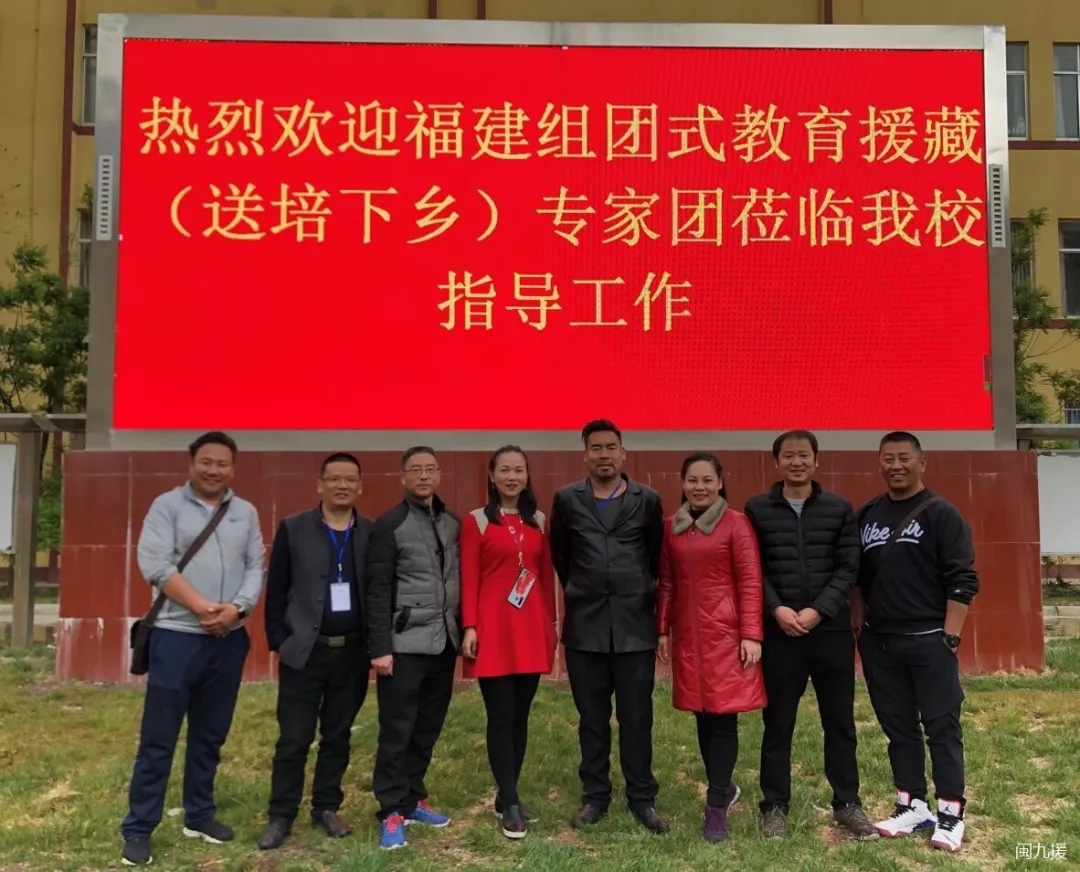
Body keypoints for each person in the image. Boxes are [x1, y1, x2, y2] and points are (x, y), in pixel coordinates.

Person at [120, 431, 265, 868]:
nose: (213, 470)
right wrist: (203, 608)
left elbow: (255, 566)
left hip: (228, 639)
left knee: (210, 734)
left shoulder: (245, 512)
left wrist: (237, 609)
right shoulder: (166, 506)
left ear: (233, 468)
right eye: (206, 461)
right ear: (191, 463)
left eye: (222, 463)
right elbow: (155, 565)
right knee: (159, 738)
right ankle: (139, 827)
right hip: (176, 636)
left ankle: (199, 815)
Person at [743, 430, 875, 840]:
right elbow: (752, 566)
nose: (796, 462)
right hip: (780, 632)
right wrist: (776, 608)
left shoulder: (838, 508)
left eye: (804, 455)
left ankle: (847, 803)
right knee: (777, 723)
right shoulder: (757, 509)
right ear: (776, 462)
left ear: (816, 461)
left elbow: (848, 566)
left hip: (829, 630)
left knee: (839, 722)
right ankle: (774, 806)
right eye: (788, 455)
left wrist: (819, 610)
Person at [853, 431, 979, 852]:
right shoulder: (867, 514)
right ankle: (911, 804)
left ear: (922, 462)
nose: (896, 465)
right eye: (888, 458)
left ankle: (950, 813)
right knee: (899, 728)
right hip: (880, 641)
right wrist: (860, 628)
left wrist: (950, 636)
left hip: (929, 640)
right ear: (879, 463)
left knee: (942, 727)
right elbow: (857, 580)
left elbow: (962, 579)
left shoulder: (942, 514)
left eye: (904, 458)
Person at [549, 419, 668, 834]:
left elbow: (655, 557)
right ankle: (595, 796)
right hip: (587, 629)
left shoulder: (647, 500)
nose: (604, 455)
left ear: (623, 453)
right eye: (596, 448)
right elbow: (561, 557)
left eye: (611, 447)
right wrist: (582, 589)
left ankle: (642, 798)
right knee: (592, 719)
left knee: (637, 718)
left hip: (635, 628)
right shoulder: (567, 500)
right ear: (585, 455)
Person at [258, 453, 374, 850]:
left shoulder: (371, 532)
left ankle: (326, 806)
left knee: (337, 735)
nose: (342, 485)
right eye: (334, 479)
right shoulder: (294, 528)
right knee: (294, 737)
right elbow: (276, 589)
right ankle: (281, 815)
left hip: (352, 653)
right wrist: (280, 640)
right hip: (305, 651)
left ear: (360, 486)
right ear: (320, 484)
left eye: (350, 479)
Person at [656, 452, 766, 843]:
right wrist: (662, 629)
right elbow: (667, 581)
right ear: (683, 483)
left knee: (722, 717)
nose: (699, 487)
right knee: (701, 714)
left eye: (707, 480)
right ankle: (724, 786)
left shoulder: (736, 523)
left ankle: (717, 803)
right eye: (693, 480)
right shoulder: (672, 526)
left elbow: (750, 580)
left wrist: (751, 633)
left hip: (725, 636)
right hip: (690, 637)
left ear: (720, 482)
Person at [367, 446, 462, 851]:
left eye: (430, 469)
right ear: (403, 477)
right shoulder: (390, 524)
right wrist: (380, 647)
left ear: (439, 474)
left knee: (427, 727)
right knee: (397, 730)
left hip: (443, 642)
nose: (423, 476)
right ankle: (391, 809)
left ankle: (413, 798)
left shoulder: (453, 523)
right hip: (404, 645)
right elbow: (377, 590)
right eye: (415, 470)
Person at [460, 446, 558, 840]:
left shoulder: (538, 520)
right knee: (500, 716)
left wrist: (550, 624)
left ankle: (507, 793)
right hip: (493, 629)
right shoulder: (477, 521)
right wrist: (470, 626)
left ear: (527, 475)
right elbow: (469, 577)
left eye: (518, 470)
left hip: (530, 628)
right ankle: (512, 803)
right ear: (492, 475)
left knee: (520, 716)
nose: (512, 477)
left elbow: (544, 576)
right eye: (504, 470)